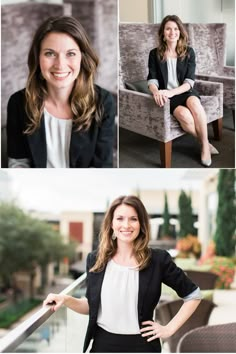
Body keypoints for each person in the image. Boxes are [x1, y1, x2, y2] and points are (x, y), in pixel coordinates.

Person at [43, 195, 202, 353]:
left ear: (141, 224)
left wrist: (169, 329)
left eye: (133, 219)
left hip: (144, 346)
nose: (126, 225)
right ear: (111, 223)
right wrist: (65, 299)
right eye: (120, 218)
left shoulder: (158, 260)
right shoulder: (95, 259)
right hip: (103, 345)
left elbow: (193, 295)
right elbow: (92, 306)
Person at [7, 16, 115, 168]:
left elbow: (102, 169)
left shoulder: (103, 102)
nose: (60, 65)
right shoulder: (18, 103)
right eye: (50, 53)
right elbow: (18, 163)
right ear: (37, 58)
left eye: (70, 53)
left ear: (82, 58)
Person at [147, 15, 219, 167]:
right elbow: (152, 79)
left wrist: (171, 92)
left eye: (175, 29)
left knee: (194, 103)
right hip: (168, 96)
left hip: (184, 91)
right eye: (168, 29)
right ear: (163, 33)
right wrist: (156, 92)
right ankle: (203, 141)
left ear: (180, 32)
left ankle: (205, 147)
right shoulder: (154, 54)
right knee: (183, 115)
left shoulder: (189, 52)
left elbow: (189, 82)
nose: (172, 32)